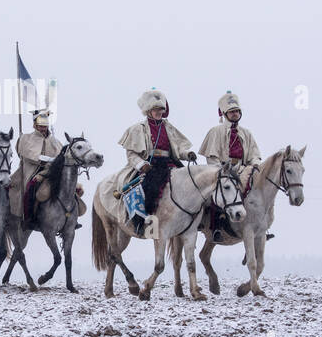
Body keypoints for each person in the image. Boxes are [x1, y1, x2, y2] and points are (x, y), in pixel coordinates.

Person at [114, 89, 195, 236]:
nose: (159, 112)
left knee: (192, 183)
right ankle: (140, 221)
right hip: (149, 165)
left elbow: (177, 150)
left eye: (161, 109)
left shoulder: (168, 127)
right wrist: (141, 164)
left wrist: (187, 154)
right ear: (148, 111)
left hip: (169, 163)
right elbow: (131, 153)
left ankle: (193, 220)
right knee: (147, 188)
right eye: (156, 109)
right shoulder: (138, 129)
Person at [199, 91, 271, 240]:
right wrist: (220, 170)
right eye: (232, 112)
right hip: (222, 169)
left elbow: (254, 155)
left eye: (237, 111)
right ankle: (215, 227)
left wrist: (256, 167)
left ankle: (260, 227)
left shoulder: (246, 133)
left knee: (258, 192)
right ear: (225, 113)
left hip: (243, 169)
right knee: (218, 194)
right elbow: (212, 156)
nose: (235, 114)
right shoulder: (215, 131)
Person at [14, 109, 63, 228]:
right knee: (30, 188)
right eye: (40, 126)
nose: (43, 128)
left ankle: (71, 216)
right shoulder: (25, 138)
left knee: (69, 185)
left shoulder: (55, 141)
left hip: (52, 171)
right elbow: (25, 153)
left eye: (45, 126)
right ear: (35, 125)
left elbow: (61, 156)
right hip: (33, 171)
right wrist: (42, 159)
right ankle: (29, 218)